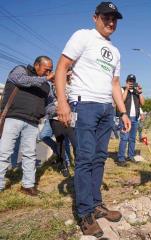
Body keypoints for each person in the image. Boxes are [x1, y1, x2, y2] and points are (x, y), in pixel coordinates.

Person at [54, 2, 131, 237]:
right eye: (106, 17)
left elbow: (115, 84)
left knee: (99, 158)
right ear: (95, 17)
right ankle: (85, 213)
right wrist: (62, 102)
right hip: (84, 105)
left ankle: (97, 204)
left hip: (107, 108)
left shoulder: (115, 51)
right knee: (85, 157)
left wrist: (123, 112)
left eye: (114, 18)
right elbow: (61, 67)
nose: (110, 22)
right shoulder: (83, 36)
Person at [0, 56, 53, 195]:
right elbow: (20, 80)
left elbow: (48, 105)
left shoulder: (46, 85)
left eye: (50, 70)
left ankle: (28, 185)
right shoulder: (21, 70)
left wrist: (58, 109)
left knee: (30, 154)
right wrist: (45, 79)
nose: (48, 73)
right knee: (4, 152)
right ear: (36, 65)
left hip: (32, 122)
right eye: (46, 69)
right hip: (13, 117)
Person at [116, 74, 144, 166]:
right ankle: (121, 158)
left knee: (132, 139)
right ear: (127, 81)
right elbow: (121, 100)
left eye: (133, 81)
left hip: (135, 118)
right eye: (129, 81)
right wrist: (127, 89)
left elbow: (143, 103)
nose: (131, 82)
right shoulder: (122, 89)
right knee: (124, 138)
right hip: (125, 118)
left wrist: (140, 92)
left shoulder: (137, 92)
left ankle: (131, 156)